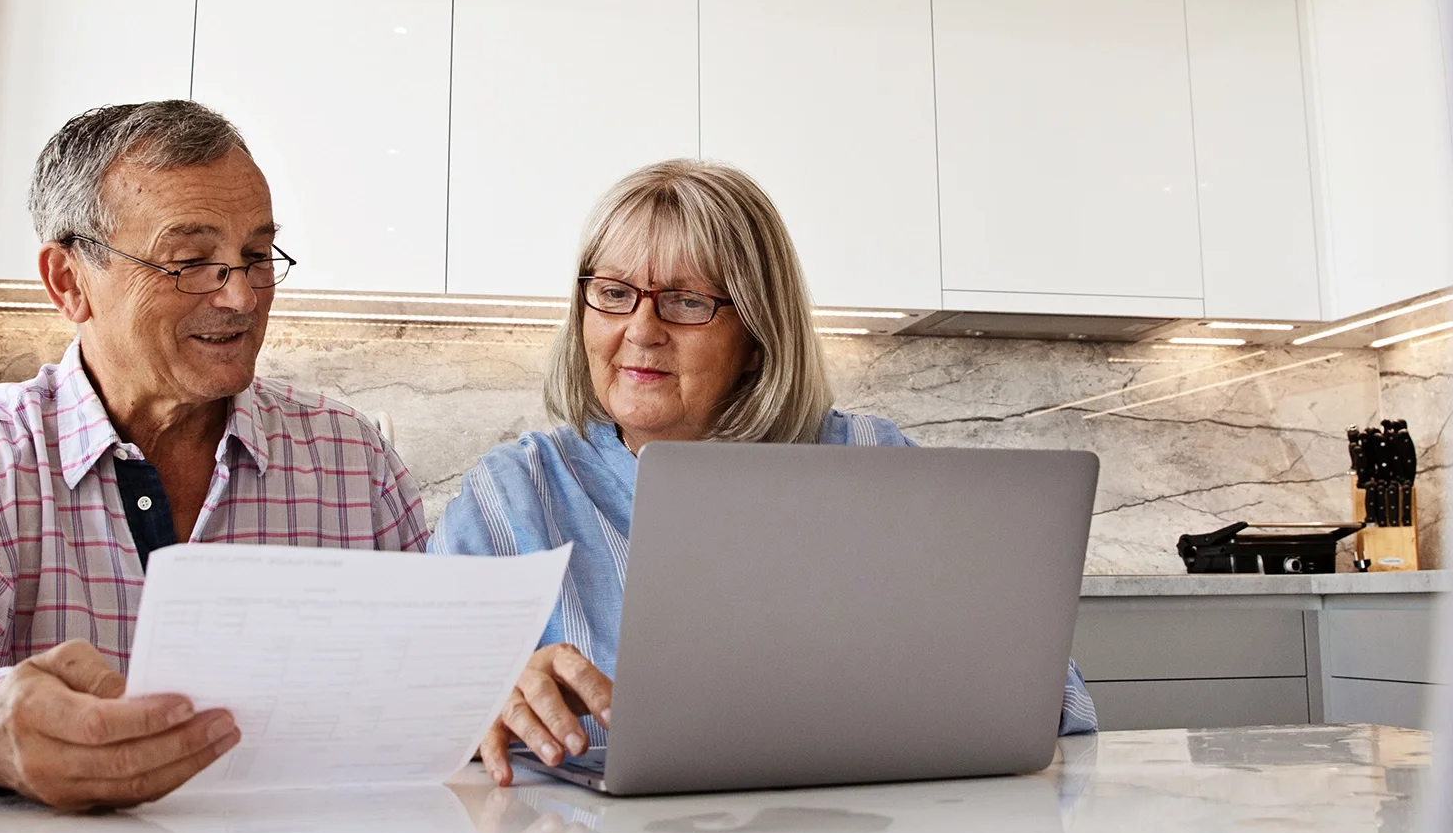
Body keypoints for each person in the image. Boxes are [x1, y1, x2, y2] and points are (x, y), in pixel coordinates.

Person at [433, 159, 1096, 785]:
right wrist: (478, 697)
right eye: (612, 292)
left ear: (757, 336)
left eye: (688, 301)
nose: (641, 329)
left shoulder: (872, 463)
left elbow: (1047, 702)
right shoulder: (512, 494)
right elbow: (406, 715)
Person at [0, 101, 430, 810]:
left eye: (255, 256)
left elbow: (433, 675)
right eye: (191, 263)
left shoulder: (351, 459)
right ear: (69, 281)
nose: (242, 296)